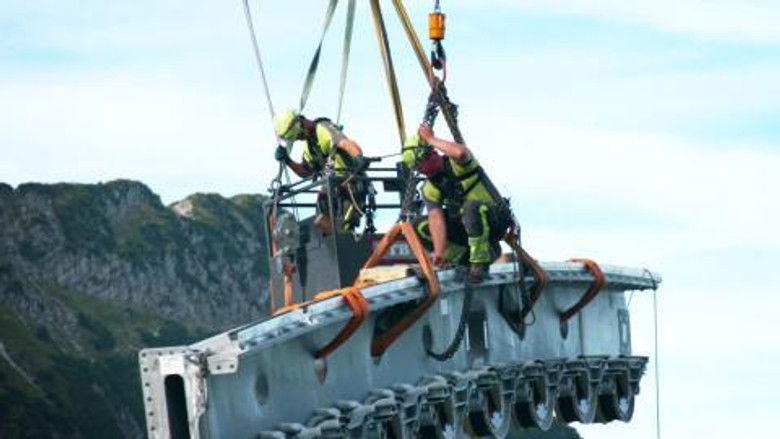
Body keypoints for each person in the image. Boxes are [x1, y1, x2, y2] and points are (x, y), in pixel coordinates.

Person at [403, 125, 509, 283]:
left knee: (470, 207)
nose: (421, 170)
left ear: (431, 153)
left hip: (495, 219)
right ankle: (462, 260)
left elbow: (461, 152)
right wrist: (439, 252)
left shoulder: (458, 164)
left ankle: (479, 263)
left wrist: (431, 139)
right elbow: (436, 220)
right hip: (468, 225)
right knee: (417, 226)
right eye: (417, 167)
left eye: (420, 164)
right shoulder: (430, 188)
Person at [273, 109, 369, 233]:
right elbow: (306, 171)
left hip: (350, 185)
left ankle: (342, 234)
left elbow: (346, 143)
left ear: (299, 126)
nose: (299, 139)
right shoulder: (310, 146)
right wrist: (287, 160)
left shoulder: (323, 129)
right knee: (321, 218)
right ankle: (333, 235)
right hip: (333, 188)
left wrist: (358, 157)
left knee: (342, 224)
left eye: (298, 136)